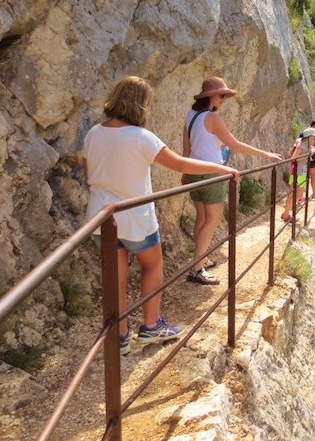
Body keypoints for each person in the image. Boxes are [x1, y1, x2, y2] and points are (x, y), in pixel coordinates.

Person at [83, 76, 239, 355]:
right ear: (140, 105)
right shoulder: (141, 137)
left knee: (115, 279)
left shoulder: (93, 133)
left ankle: (119, 338)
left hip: (101, 218)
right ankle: (151, 326)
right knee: (152, 266)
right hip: (136, 218)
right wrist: (220, 169)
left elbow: (88, 176)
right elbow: (179, 163)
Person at [183, 77, 282, 285]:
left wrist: (185, 173)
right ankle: (197, 269)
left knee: (202, 218)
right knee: (212, 220)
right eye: (221, 96)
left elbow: (186, 150)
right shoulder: (212, 118)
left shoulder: (190, 116)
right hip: (211, 173)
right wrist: (265, 153)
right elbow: (234, 145)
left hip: (193, 171)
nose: (224, 100)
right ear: (210, 96)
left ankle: (200, 259)